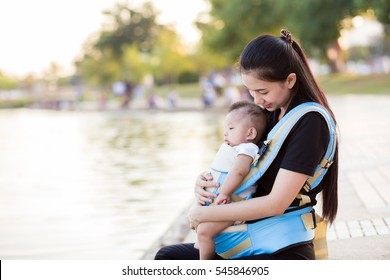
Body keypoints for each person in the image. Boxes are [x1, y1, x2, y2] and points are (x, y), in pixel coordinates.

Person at [155, 29, 338, 260]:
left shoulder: (311, 122)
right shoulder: (270, 116)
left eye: (263, 91)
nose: (256, 100)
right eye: (251, 91)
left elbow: (276, 204)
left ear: (290, 80)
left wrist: (202, 214)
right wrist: (204, 184)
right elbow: (241, 163)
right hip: (250, 236)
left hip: (283, 248)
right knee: (167, 256)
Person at [196, 100, 267, 260]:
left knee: (203, 232)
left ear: (250, 134)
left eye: (231, 128)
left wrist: (224, 193)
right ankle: (203, 245)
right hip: (222, 203)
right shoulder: (235, 148)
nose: (225, 133)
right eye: (225, 128)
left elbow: (238, 171)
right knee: (201, 229)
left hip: (233, 205)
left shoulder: (247, 149)